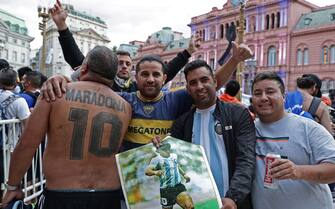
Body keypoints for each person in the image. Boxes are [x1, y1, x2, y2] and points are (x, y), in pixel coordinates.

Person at [1, 46, 132, 209]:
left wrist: (13, 186)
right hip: (108, 196)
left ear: (84, 68)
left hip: (62, 195)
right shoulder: (126, 107)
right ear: (114, 76)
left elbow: (27, 144)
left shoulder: (56, 93)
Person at [49, 0, 200, 93]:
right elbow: (76, 59)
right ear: (111, 66)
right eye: (120, 63)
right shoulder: (103, 83)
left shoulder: (137, 88)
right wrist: (62, 26)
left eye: (128, 64)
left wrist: (188, 52)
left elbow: (168, 70)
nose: (124, 66)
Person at [166, 60, 256, 209]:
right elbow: (172, 160)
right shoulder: (182, 123)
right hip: (197, 203)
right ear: (188, 89)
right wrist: (159, 145)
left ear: (214, 82)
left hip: (232, 203)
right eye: (193, 83)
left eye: (204, 80)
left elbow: (246, 159)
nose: (199, 86)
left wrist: (233, 198)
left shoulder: (238, 114)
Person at [250, 71, 335, 209]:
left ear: (284, 97)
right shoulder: (248, 131)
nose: (263, 98)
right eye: (257, 93)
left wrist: (297, 171)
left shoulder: (308, 128)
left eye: (270, 92)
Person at [0, 68, 30, 201]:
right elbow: (27, 127)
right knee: (6, 182)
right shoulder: (19, 101)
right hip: (8, 147)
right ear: (16, 82)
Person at [145, 142, 194, 209]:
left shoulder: (174, 156)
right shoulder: (156, 160)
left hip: (178, 187)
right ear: (159, 151)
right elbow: (147, 171)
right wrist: (155, 172)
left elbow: (177, 166)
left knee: (189, 206)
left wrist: (184, 175)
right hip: (166, 190)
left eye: (168, 148)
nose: (167, 151)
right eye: (164, 149)